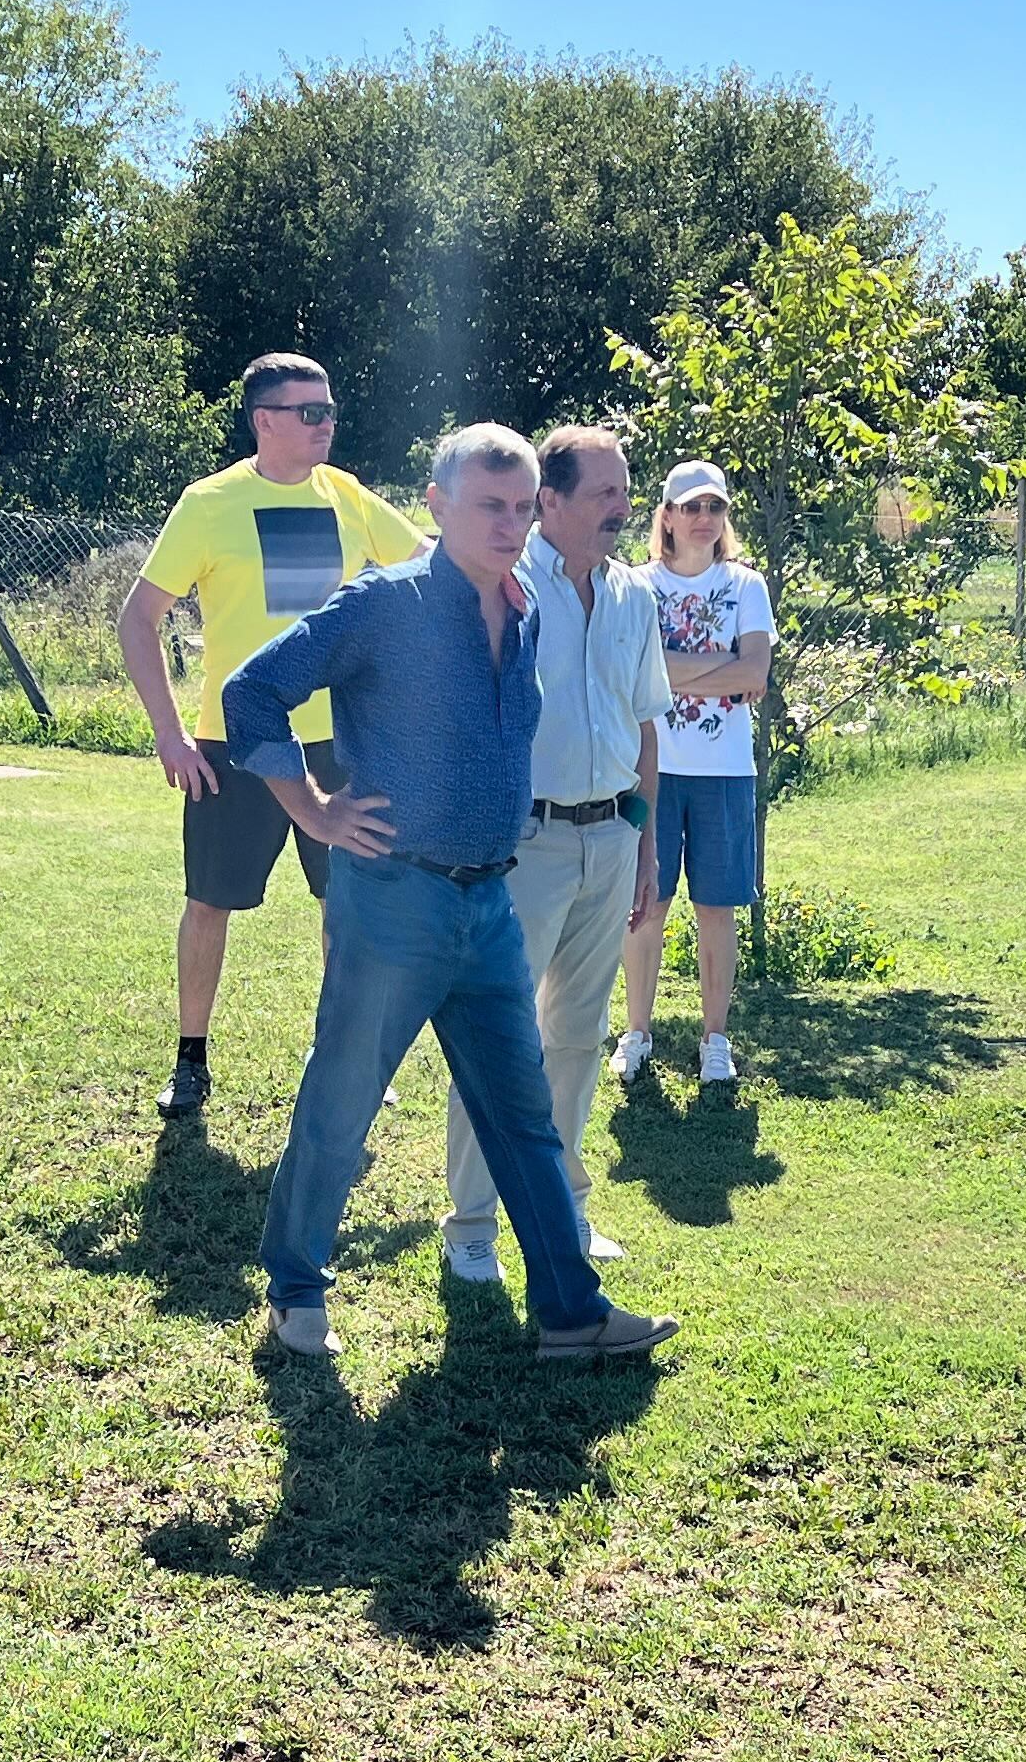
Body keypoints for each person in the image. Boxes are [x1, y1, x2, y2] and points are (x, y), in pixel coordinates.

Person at [221, 424, 680, 1364]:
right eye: (490, 506)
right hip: (395, 897)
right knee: (343, 1101)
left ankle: (569, 1312)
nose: (511, 526)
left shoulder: (527, 606)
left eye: (521, 508)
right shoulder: (386, 602)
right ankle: (295, 1291)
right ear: (436, 505)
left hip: (490, 905)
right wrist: (310, 808)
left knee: (522, 1113)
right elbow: (251, 693)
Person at [119, 352, 425, 1118]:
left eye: (330, 412)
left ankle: (348, 1060)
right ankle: (191, 1060)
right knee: (210, 902)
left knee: (347, 905)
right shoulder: (209, 503)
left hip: (341, 746)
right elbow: (138, 618)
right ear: (265, 421)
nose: (327, 426)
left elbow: (427, 568)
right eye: (309, 413)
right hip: (235, 745)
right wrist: (169, 735)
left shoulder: (349, 497)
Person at [439, 426, 668, 1284]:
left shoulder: (634, 595)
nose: (623, 507)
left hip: (610, 837)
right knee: (497, 1040)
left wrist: (643, 842)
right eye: (605, 492)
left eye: (625, 489)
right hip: (520, 844)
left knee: (576, 1035)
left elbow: (647, 723)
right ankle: (470, 1227)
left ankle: (564, 1203)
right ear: (552, 502)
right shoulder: (498, 585)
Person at [615, 460, 774, 1087]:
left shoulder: (746, 585)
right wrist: (719, 665)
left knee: (716, 908)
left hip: (725, 772)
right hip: (650, 769)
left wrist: (669, 669)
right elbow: (632, 671)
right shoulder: (635, 584)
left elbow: (753, 673)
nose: (704, 519)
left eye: (715, 508)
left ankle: (715, 1040)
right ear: (668, 516)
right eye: (691, 507)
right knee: (645, 905)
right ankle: (636, 1032)